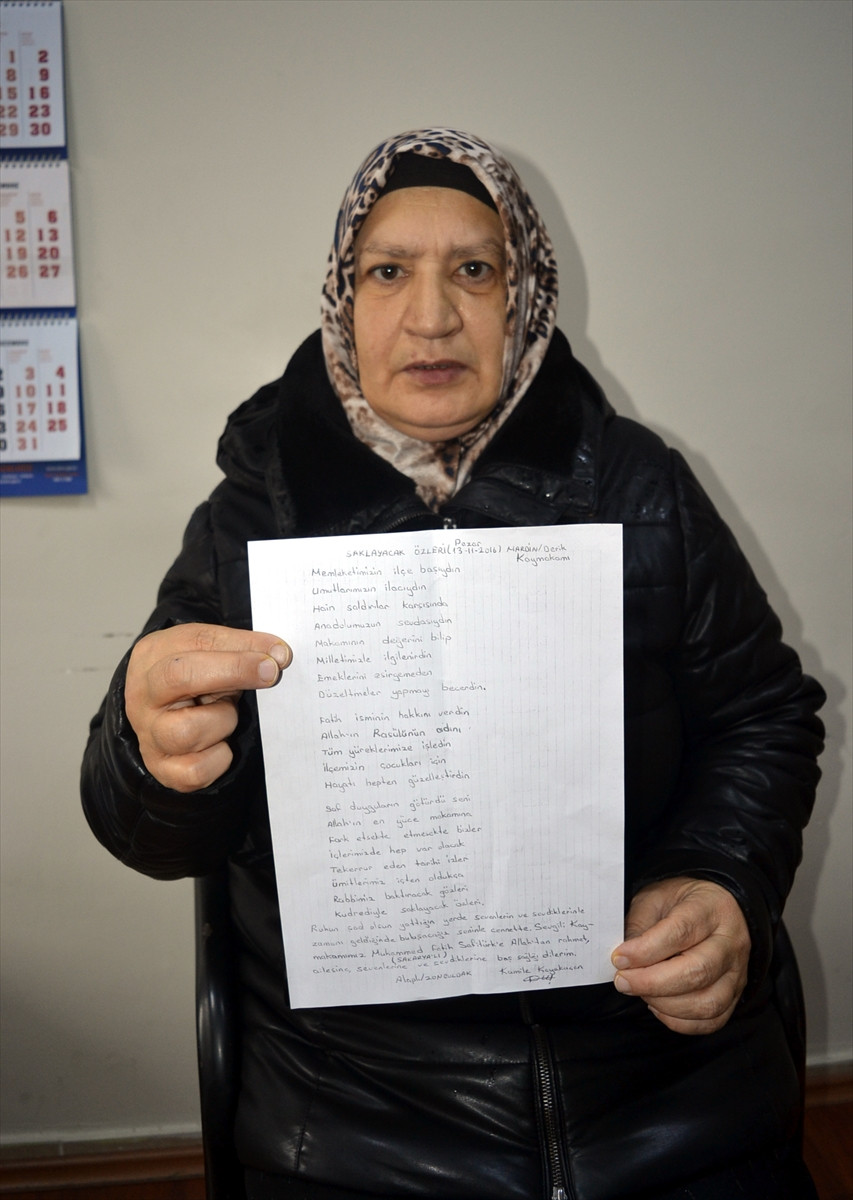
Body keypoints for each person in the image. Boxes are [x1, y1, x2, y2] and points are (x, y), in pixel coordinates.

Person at [81, 129, 825, 1200]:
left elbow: (763, 713)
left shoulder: (639, 485)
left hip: (650, 1054)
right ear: (342, 296)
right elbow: (152, 832)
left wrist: (719, 876)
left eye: (473, 269)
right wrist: (149, 753)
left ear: (524, 294)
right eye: (388, 271)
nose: (430, 316)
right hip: (360, 1093)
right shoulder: (255, 515)